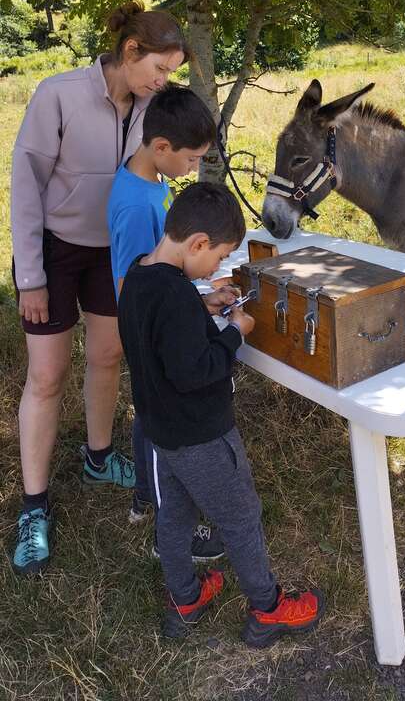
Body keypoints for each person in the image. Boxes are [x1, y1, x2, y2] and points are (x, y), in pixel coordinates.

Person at [11, 0, 188, 575]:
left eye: (171, 75)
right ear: (130, 52)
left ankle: (97, 457)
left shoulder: (148, 108)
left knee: (109, 354)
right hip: (56, 253)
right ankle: (33, 507)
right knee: (46, 374)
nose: (163, 83)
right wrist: (31, 277)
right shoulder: (58, 95)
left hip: (114, 252)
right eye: (160, 69)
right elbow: (25, 188)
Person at [118, 182, 324, 644]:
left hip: (161, 434)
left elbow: (164, 328)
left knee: (174, 516)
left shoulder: (140, 277)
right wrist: (234, 332)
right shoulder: (175, 298)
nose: (217, 269)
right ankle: (268, 608)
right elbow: (197, 371)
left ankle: (186, 598)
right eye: (218, 257)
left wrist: (200, 302)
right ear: (197, 244)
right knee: (240, 516)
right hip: (203, 436)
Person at [108, 83, 238, 563]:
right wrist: (190, 312)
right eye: (190, 159)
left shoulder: (148, 183)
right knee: (155, 419)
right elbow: (138, 286)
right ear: (161, 147)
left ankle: (150, 494)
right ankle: (156, 502)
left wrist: (197, 303)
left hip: (155, 327)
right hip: (150, 337)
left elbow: (164, 282)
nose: (191, 169)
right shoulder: (141, 205)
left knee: (151, 414)